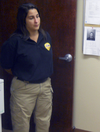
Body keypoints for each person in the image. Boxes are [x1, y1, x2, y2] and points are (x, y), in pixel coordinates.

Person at [0, 3, 53, 132]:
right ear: (23, 20)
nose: (36, 21)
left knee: (43, 123)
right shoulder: (15, 41)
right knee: (21, 125)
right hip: (24, 89)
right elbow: (6, 66)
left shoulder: (45, 36)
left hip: (45, 87)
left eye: (37, 16)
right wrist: (24, 74)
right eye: (31, 18)